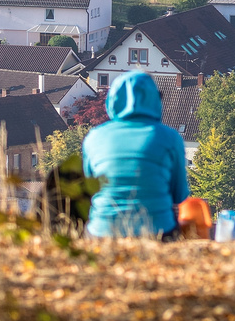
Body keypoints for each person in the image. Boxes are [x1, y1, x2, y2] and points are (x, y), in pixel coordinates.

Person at [80, 71, 189, 238]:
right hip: (157, 231)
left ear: (113, 100)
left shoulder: (94, 137)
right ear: (154, 100)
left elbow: (89, 190)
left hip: (103, 232)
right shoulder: (170, 137)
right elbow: (179, 195)